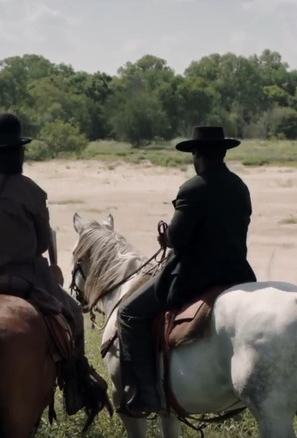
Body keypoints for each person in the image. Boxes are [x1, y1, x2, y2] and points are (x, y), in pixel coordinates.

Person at [0, 113, 110, 418]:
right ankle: (74, 386)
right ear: (19, 152)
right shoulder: (32, 191)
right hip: (26, 279)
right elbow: (43, 243)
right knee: (72, 313)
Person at [117, 126, 257, 416]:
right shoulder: (240, 186)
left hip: (195, 275)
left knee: (128, 313)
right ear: (222, 153)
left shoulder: (193, 188)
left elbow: (179, 240)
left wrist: (167, 237)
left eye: (194, 154)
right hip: (237, 273)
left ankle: (145, 393)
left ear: (198, 155)